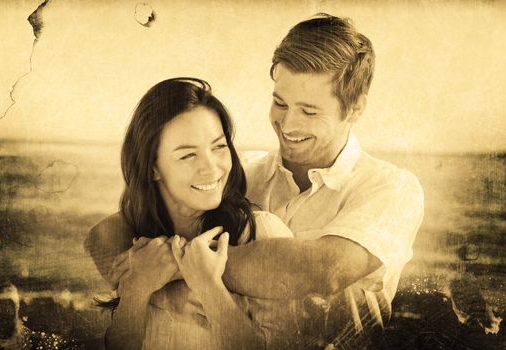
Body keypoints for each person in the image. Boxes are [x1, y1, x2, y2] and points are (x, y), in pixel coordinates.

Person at [90, 13, 424, 348]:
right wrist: (143, 278)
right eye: (280, 103)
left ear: (354, 109)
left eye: (309, 112)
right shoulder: (237, 175)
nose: (288, 125)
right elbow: (108, 232)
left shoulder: (392, 189)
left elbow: (323, 271)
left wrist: (182, 267)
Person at [86, 78, 295, 349]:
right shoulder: (140, 247)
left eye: (219, 147)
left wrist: (208, 285)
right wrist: (137, 288)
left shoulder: (263, 234)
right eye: (188, 155)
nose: (211, 168)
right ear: (152, 167)